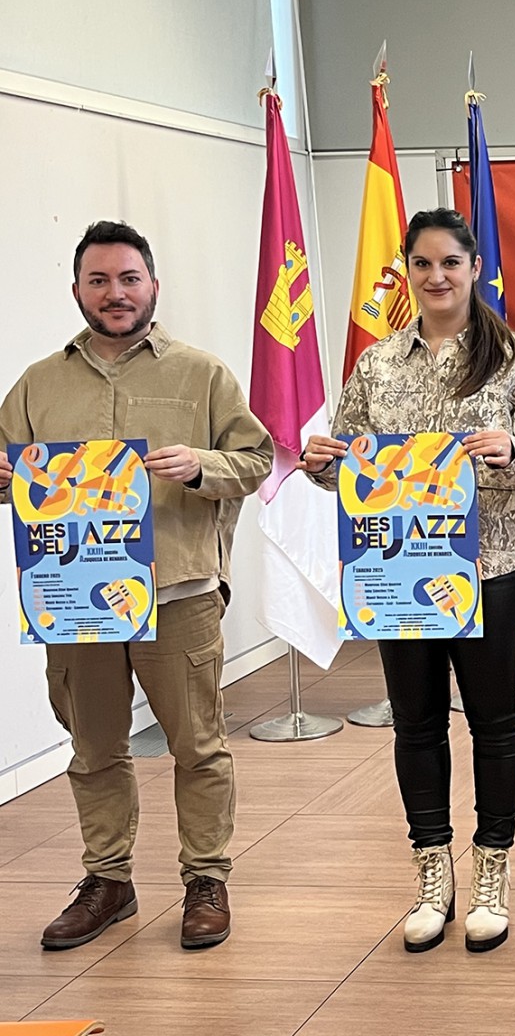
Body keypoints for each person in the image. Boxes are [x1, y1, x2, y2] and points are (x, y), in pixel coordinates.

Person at [300, 208, 515, 954]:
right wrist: (323, 465)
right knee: (415, 722)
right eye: (422, 263)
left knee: (493, 719)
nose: (436, 276)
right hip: (397, 568)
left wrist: (512, 452)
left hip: (491, 568)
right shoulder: (377, 364)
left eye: (450, 262)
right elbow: (346, 463)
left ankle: (491, 868)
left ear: (474, 267)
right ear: (408, 271)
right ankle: (431, 872)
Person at [0, 221, 272, 951]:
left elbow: (256, 460)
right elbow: (8, 471)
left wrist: (202, 466)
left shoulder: (202, 374)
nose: (114, 293)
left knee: (199, 747)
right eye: (99, 281)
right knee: (93, 749)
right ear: (77, 290)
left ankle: (205, 879)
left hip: (178, 592)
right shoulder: (37, 383)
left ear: (153, 285)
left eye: (128, 279)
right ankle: (108, 881)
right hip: (73, 598)